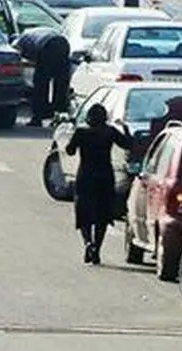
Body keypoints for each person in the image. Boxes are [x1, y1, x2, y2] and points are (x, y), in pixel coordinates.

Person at [65, 104, 131, 265]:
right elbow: (128, 144)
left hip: (85, 176)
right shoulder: (110, 132)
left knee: (84, 213)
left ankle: (88, 243)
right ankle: (97, 250)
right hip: (105, 177)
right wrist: (126, 129)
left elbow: (70, 150)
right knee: (103, 215)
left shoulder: (81, 132)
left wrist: (72, 138)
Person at [13, 27, 71, 127]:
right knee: (61, 84)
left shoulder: (20, 41)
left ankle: (37, 118)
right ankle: (60, 116)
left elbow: (19, 58)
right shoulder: (33, 33)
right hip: (63, 43)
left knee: (40, 85)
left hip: (47, 45)